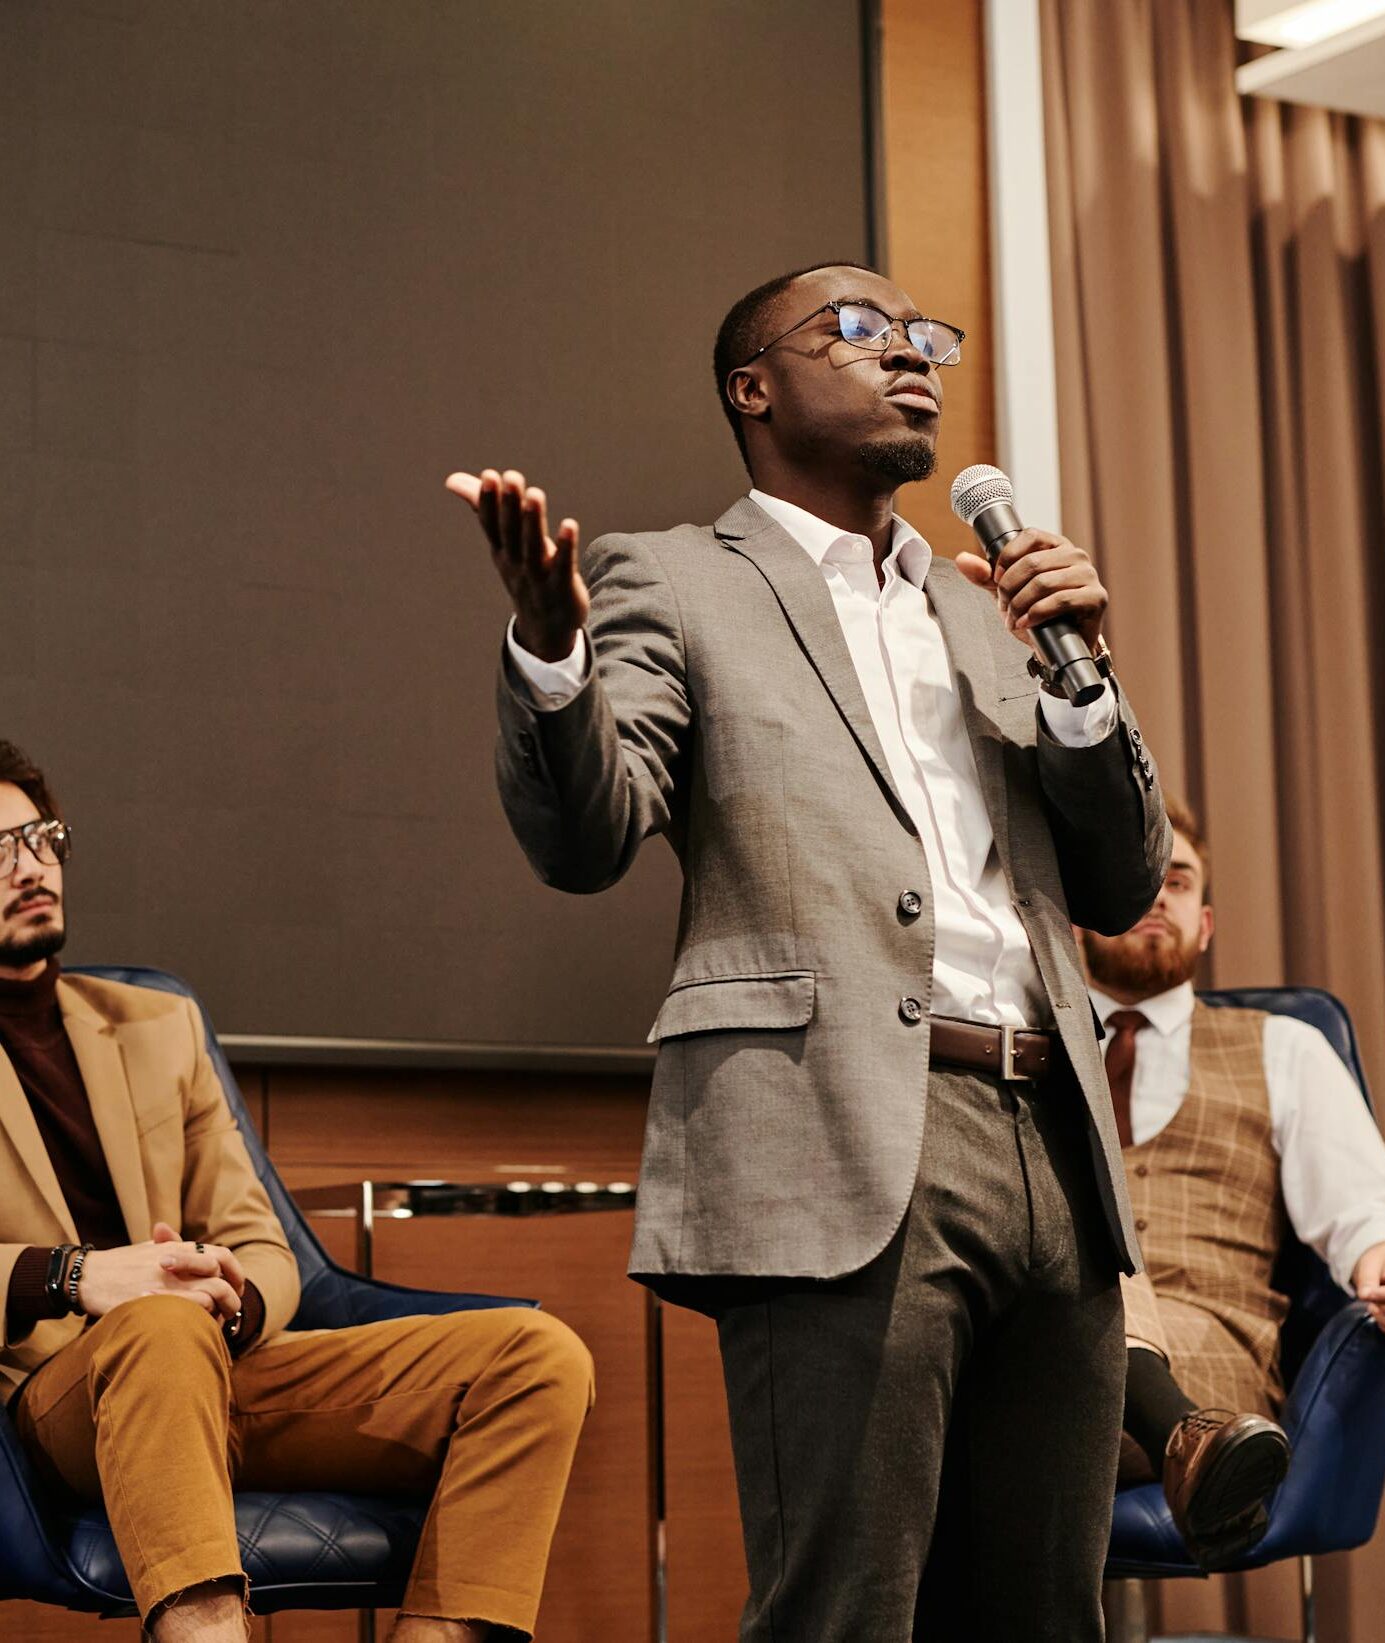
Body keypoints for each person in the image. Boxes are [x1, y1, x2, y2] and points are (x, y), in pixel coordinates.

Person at [447, 260, 1170, 1642]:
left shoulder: (988, 603)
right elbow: (590, 834)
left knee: (1044, 1611)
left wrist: (1085, 684)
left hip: (1056, 1136)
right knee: (847, 1607)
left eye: (924, 338)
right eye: (859, 330)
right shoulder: (668, 575)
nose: (911, 356)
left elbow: (1123, 880)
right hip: (839, 1134)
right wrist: (552, 653)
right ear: (752, 386)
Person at [0, 740, 594, 1643]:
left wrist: (230, 1296)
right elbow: (120, 1301)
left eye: (39, 836)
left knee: (537, 1359)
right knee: (154, 1324)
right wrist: (82, 1275)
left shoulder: (158, 1024)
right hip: (52, 1407)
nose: (30, 863)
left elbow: (262, 1239)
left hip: (222, 1362)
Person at [1084, 798, 1385, 1568]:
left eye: (1175, 881)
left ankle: (1187, 1430)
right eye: (1135, 880)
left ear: (1203, 924)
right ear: (1080, 913)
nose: (1154, 897)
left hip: (1216, 1358)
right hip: (1047, 1343)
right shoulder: (1023, 1048)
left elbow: (1368, 1205)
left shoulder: (1285, 1047)